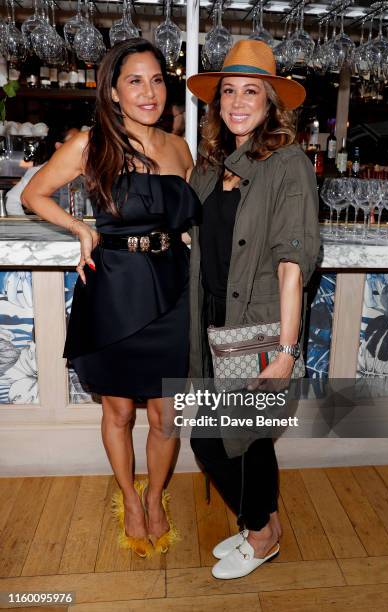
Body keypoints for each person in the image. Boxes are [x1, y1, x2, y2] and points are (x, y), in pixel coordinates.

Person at [22, 39, 200, 558]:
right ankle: (131, 496)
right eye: (135, 81)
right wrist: (79, 228)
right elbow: (33, 195)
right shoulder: (90, 143)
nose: (149, 92)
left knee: (167, 416)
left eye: (157, 80)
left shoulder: (179, 147)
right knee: (120, 413)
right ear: (114, 92)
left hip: (173, 289)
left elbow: (186, 218)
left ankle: (157, 493)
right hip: (116, 289)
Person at [187, 40, 320, 579]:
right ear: (217, 103)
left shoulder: (288, 165)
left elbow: (293, 264)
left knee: (231, 437)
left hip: (256, 323)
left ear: (271, 103)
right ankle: (257, 524)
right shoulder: (213, 167)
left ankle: (263, 534)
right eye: (228, 92)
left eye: (251, 92)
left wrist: (285, 351)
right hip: (211, 317)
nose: (238, 102)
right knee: (232, 434)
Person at [6, 126, 80, 215]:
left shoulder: (81, 172)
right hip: (47, 228)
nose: (80, 147)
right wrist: (27, 228)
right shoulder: (39, 171)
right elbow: (11, 201)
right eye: (74, 143)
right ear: (59, 146)